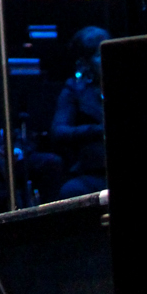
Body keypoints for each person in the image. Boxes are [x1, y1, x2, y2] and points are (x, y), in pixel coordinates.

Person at [51, 27, 107, 199]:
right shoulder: (75, 90)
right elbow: (59, 130)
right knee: (71, 191)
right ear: (85, 62)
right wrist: (97, 130)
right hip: (94, 170)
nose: (106, 60)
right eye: (99, 56)